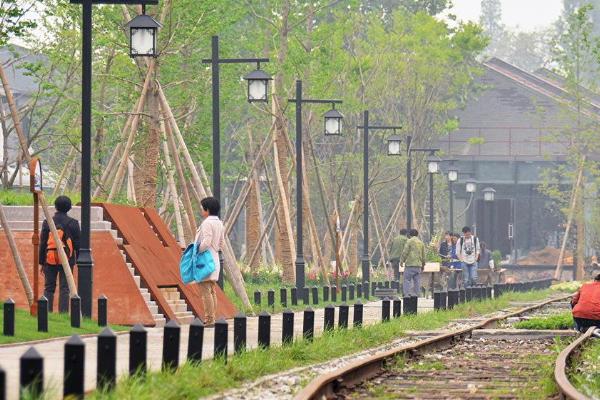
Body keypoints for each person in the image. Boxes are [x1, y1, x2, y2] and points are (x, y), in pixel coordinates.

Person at [39, 196, 80, 313]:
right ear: (69, 208)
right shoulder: (74, 223)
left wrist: (42, 262)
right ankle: (63, 314)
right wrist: (76, 260)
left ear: (56, 207)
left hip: (50, 258)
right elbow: (77, 244)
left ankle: (46, 314)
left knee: (48, 288)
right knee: (65, 288)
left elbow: (43, 243)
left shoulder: (48, 222)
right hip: (67, 259)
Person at [196, 197, 225, 326]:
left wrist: (196, 250)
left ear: (207, 209)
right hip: (214, 259)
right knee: (211, 290)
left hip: (205, 260)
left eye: (202, 207)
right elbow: (221, 244)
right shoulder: (219, 223)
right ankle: (212, 317)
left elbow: (206, 242)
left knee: (205, 291)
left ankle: (209, 319)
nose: (201, 210)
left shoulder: (207, 223)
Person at [399, 229, 426, 297]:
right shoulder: (421, 243)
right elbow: (423, 255)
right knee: (417, 281)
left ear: (410, 235)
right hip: (418, 265)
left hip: (410, 265)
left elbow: (405, 252)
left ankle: (407, 294)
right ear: (417, 234)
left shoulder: (409, 241)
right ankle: (417, 295)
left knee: (407, 280)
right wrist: (423, 264)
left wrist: (402, 261)